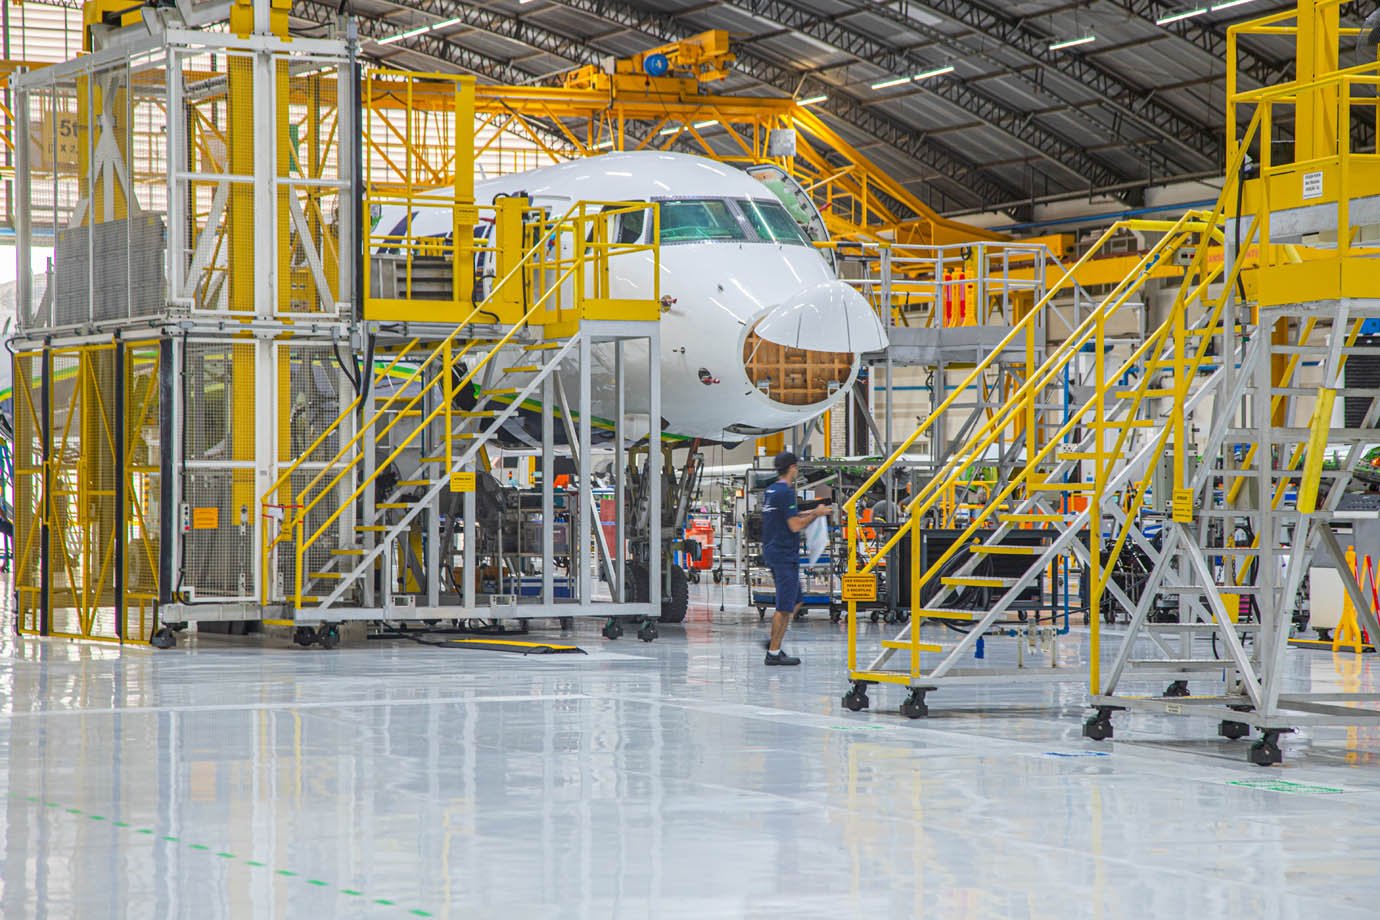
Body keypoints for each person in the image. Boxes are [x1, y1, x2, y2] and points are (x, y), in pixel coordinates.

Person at [760, 450, 831, 666]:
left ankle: (775, 641)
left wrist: (807, 514)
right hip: (783, 554)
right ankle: (773, 652)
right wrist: (815, 515)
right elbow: (794, 525)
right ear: (792, 468)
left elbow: (786, 517)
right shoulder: (786, 492)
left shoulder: (771, 490)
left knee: (796, 600)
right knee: (784, 607)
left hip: (773, 549)